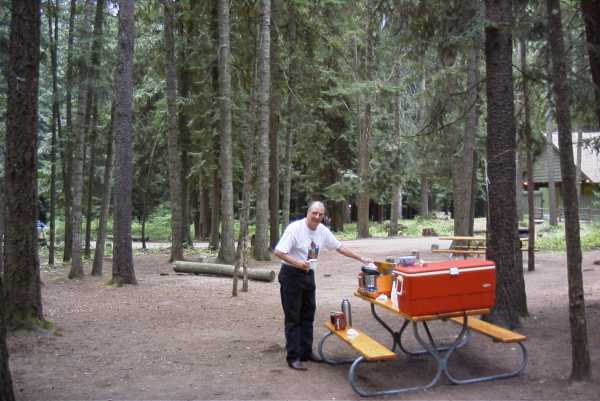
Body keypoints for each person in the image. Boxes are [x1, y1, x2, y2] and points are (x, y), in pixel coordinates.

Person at [273, 200, 372, 371]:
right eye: (314, 213)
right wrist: (298, 263)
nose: (317, 217)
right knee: (293, 317)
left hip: (309, 275)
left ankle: (306, 352)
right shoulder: (295, 229)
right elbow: (279, 252)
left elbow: (339, 247)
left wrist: (360, 258)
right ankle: (293, 357)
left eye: (320, 214)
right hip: (291, 276)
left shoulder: (322, 230)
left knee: (308, 314)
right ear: (308, 213)